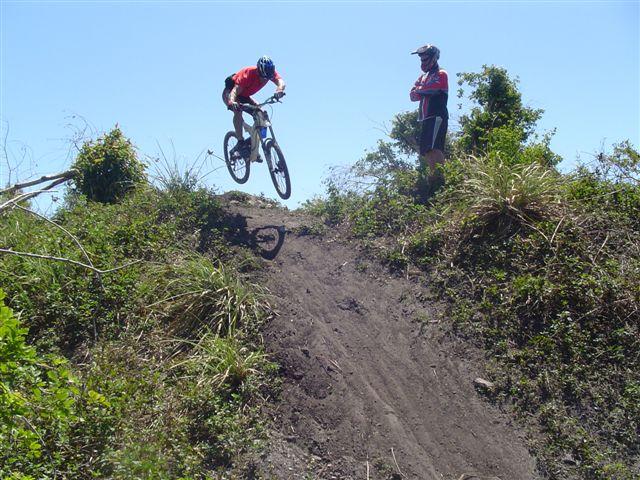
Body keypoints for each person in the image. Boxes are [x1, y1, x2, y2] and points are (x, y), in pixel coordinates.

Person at [222, 56, 286, 157]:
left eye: (267, 79)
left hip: (244, 96)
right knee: (238, 111)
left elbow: (281, 82)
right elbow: (235, 91)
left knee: (261, 114)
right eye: (263, 77)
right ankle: (240, 142)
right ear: (259, 72)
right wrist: (232, 102)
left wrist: (279, 90)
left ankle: (255, 144)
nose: (264, 80)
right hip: (230, 94)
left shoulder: (269, 72)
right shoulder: (248, 74)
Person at [409, 44, 448, 197]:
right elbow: (412, 95)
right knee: (426, 150)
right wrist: (421, 90)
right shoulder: (423, 77)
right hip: (425, 117)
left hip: (436, 114)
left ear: (433, 58)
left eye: (425, 58)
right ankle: (433, 179)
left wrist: (421, 90)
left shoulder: (441, 73)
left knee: (435, 148)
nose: (422, 61)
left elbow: (433, 90)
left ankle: (441, 180)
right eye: (421, 58)